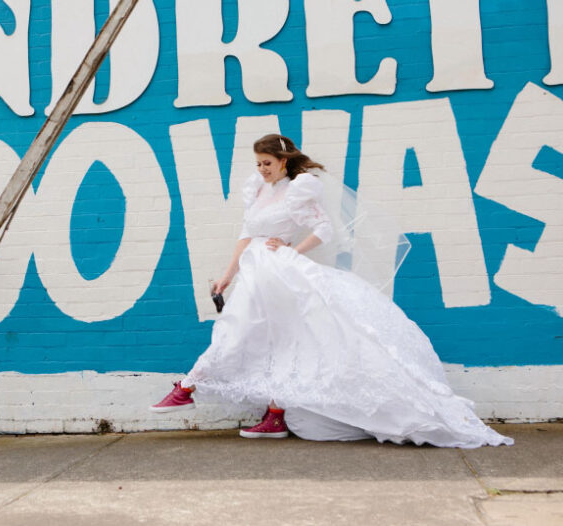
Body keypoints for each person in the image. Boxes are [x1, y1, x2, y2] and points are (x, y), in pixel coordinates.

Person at [150, 134, 512, 448]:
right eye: (258, 163)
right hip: (254, 270)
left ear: (283, 160)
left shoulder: (298, 189)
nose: (261, 169)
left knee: (261, 333)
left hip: (279, 270)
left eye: (267, 163)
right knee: (274, 339)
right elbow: (246, 235)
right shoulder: (258, 189)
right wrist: (227, 276)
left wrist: (292, 250)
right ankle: (273, 415)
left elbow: (324, 229)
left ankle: (188, 387)